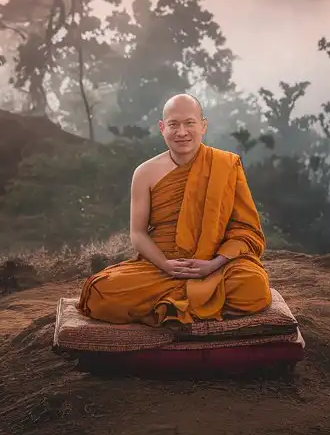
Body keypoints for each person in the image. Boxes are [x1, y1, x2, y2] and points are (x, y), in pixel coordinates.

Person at [78, 93, 272, 326]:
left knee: (253, 285)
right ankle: (193, 299)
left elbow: (246, 230)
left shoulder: (226, 165)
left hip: (215, 266)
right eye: (173, 124)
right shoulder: (145, 173)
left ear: (203, 126)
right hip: (161, 265)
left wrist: (212, 265)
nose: (182, 132)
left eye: (190, 123)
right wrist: (166, 265)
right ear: (162, 127)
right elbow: (138, 233)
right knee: (101, 292)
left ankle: (171, 302)